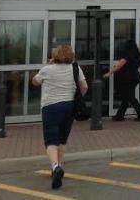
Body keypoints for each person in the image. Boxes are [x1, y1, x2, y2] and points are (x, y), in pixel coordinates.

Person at [32, 44, 87, 190]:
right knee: (62, 139)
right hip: (69, 106)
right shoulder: (75, 68)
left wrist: (48, 66)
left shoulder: (47, 69)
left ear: (55, 55)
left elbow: (35, 81)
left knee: (51, 140)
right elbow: (84, 87)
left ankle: (55, 167)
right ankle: (58, 166)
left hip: (50, 107)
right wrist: (78, 97)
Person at [104, 39, 140, 121]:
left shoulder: (127, 54)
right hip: (135, 78)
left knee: (130, 97)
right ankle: (119, 116)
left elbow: (119, 65)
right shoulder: (138, 55)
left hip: (127, 79)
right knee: (126, 97)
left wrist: (109, 73)